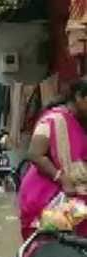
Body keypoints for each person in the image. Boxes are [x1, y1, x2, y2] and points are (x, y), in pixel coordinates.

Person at [18, 79, 87, 239]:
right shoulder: (53, 119)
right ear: (78, 97)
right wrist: (62, 179)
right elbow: (35, 154)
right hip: (49, 195)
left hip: (77, 201)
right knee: (50, 246)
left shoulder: (82, 122)